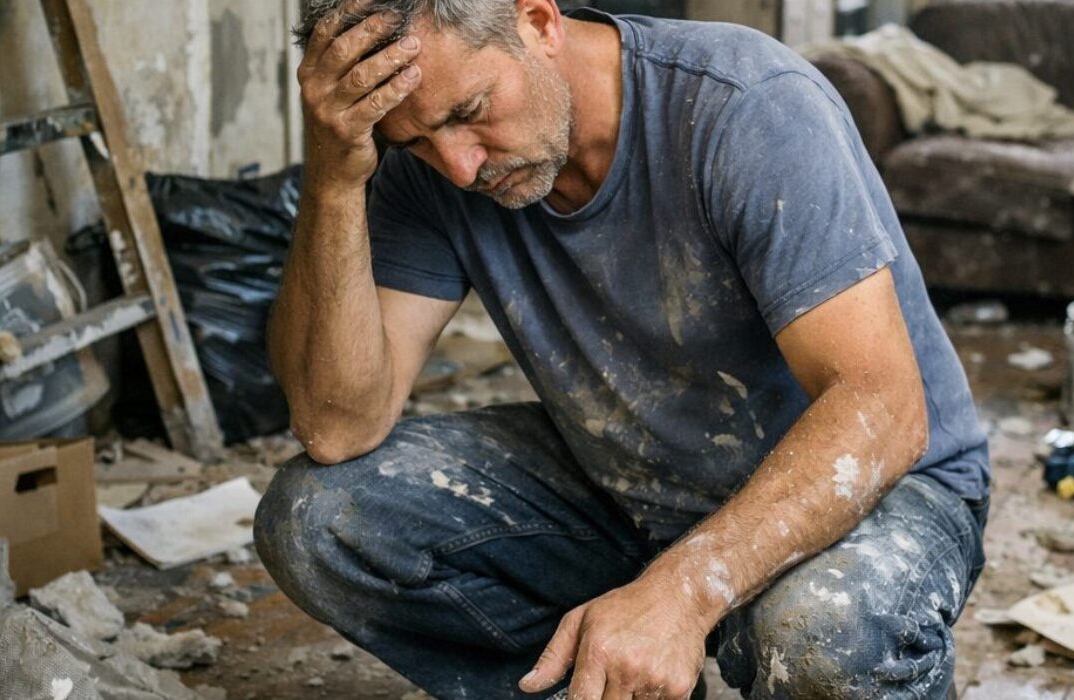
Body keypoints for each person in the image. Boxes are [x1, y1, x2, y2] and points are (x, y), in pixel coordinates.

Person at [254, 1, 990, 698]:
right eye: (411, 140)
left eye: (470, 112)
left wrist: (684, 590)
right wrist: (334, 177)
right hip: (634, 474)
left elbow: (883, 406)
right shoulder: (433, 170)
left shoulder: (745, 104)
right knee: (317, 518)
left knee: (825, 631)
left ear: (538, 21)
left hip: (875, 484)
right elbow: (337, 423)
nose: (459, 167)